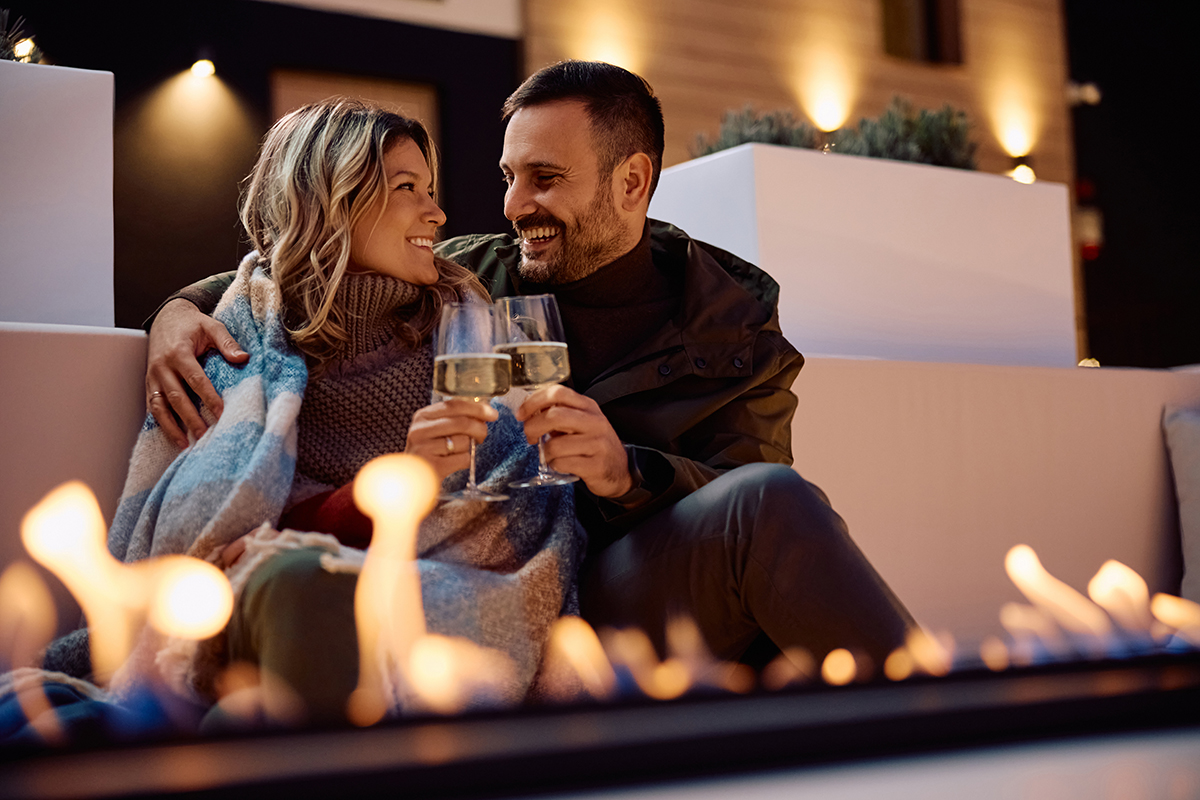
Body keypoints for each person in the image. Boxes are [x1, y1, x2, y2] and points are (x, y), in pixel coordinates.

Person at [143, 61, 914, 674]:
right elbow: (311, 259)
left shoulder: (730, 318)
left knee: (772, 497)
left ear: (633, 182)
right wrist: (176, 310)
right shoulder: (470, 274)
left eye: (544, 178)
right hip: (509, 579)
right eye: (510, 176)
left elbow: (749, 487)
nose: (513, 205)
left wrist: (627, 474)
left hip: (630, 587)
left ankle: (957, 728)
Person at [42, 98, 581, 727]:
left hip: (441, 593)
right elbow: (220, 534)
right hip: (272, 602)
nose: (436, 212)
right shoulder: (245, 335)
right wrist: (384, 492)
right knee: (297, 586)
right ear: (331, 200)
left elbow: (515, 507)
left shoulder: (468, 322)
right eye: (407, 188)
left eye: (429, 190)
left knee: (297, 606)